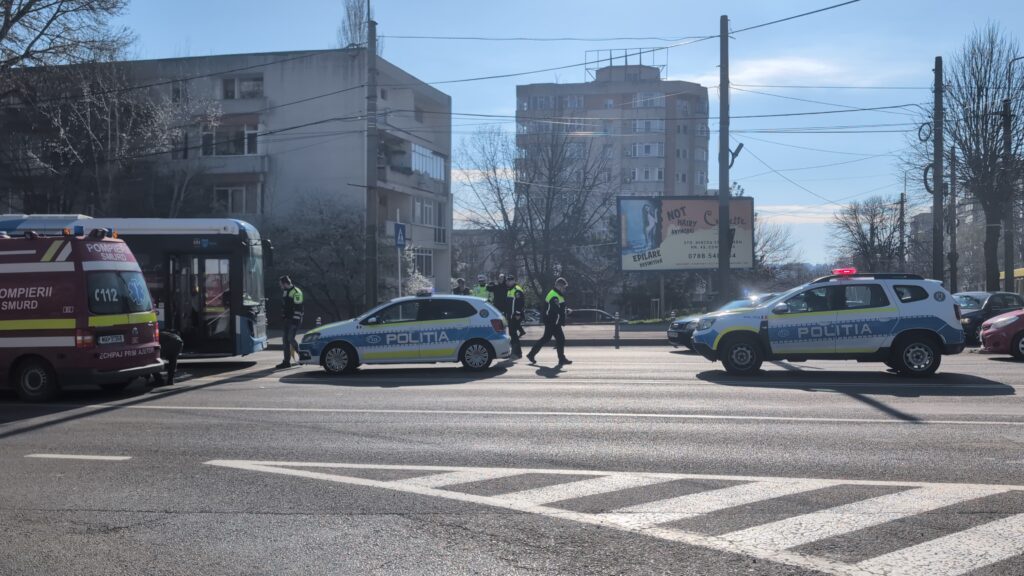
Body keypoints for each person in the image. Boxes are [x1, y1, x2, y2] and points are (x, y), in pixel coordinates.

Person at [526, 277, 572, 365]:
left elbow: (560, 307)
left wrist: (566, 309)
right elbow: (555, 309)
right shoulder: (553, 295)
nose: (564, 289)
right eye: (564, 287)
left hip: (554, 321)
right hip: (551, 321)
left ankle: (561, 358)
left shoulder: (557, 295)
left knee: (559, 339)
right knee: (548, 338)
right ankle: (531, 354)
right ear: (559, 286)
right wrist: (566, 311)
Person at [277, 275, 304, 369]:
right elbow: (284, 305)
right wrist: (283, 316)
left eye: (281, 284)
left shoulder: (296, 292)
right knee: (285, 341)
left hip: (294, 320)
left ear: (285, 283)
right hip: (287, 320)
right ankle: (286, 362)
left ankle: (303, 356)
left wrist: (295, 321)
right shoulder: (285, 291)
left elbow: (298, 308)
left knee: (290, 338)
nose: (280, 286)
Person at [504, 275, 525, 358]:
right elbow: (508, 304)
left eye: (509, 281)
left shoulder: (517, 290)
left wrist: (518, 314)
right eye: (507, 281)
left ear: (513, 281)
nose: (507, 282)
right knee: (512, 334)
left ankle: (517, 353)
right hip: (510, 315)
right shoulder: (510, 290)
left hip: (516, 316)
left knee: (513, 334)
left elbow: (521, 303)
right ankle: (516, 352)